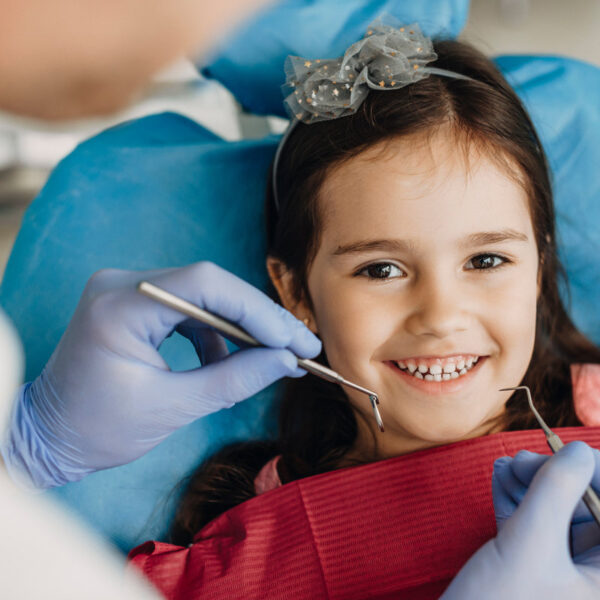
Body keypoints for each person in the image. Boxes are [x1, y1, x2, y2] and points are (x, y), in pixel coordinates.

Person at [127, 22, 600, 598]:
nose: (441, 316)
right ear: (296, 293)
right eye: (381, 270)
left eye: (486, 260)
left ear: (538, 266)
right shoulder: (249, 530)